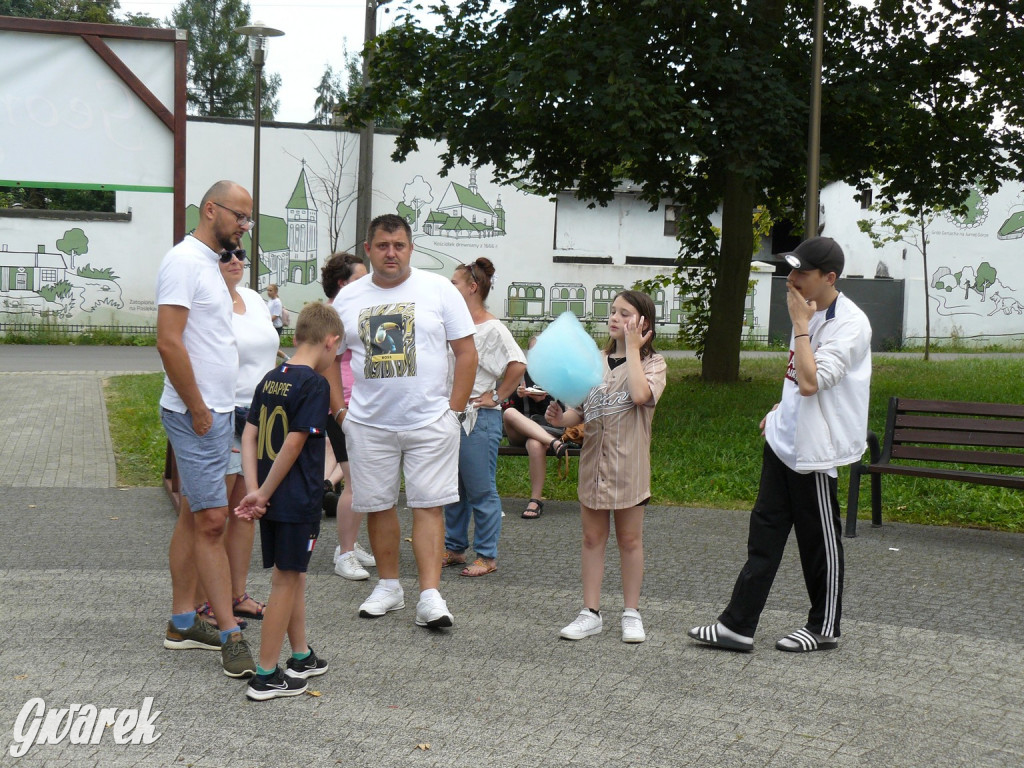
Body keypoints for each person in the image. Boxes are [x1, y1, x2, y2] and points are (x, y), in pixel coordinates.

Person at [689, 237, 871, 653]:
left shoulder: (850, 324)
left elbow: (811, 382)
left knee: (819, 541)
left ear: (829, 278)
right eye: (790, 271)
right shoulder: (805, 307)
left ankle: (825, 627)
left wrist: (802, 327)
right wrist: (779, 411)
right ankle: (737, 625)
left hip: (816, 451)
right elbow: (797, 379)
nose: (791, 280)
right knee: (764, 537)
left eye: (801, 273)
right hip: (783, 441)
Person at [326, 213, 477, 629]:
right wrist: (341, 413)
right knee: (378, 505)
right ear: (369, 249)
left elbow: (466, 353)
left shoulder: (439, 289)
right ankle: (389, 587)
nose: (391, 253)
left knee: (429, 505)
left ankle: (430, 596)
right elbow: (330, 358)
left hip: (431, 421)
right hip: (370, 425)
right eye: (382, 245)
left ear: (410, 248)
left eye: (399, 245)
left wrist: (454, 411)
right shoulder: (349, 298)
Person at [156, 179, 256, 678]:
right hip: (198, 413)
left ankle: (180, 621)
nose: (244, 226)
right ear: (210, 209)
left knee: (196, 515)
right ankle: (228, 633)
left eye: (248, 219)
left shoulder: (212, 265)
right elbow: (169, 342)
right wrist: (197, 407)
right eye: (239, 215)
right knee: (213, 522)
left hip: (217, 411)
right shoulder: (183, 261)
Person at [236, 302, 343, 700]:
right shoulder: (315, 385)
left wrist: (255, 488)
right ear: (330, 342)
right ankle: (265, 674)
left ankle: (300, 656)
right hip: (295, 498)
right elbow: (297, 441)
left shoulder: (270, 378)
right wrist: (261, 493)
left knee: (291, 572)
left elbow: (248, 436)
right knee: (285, 579)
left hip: (269, 496)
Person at [547, 290, 667, 644]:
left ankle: (631, 613)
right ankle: (591, 612)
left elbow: (642, 396)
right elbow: (580, 412)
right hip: (593, 465)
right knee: (591, 538)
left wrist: (632, 349)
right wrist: (560, 416)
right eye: (612, 311)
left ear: (643, 322)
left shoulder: (653, 364)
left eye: (624, 313)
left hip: (629, 466)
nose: (614, 318)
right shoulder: (593, 361)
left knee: (629, 540)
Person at [192, 246, 279, 629]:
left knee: (245, 509)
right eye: (225, 254)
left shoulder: (256, 299)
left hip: (258, 414)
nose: (235, 260)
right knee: (214, 515)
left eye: (240, 254)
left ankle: (235, 594)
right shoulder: (206, 302)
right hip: (222, 411)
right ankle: (203, 602)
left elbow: (267, 354)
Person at [442, 258, 527, 577]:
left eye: (455, 283)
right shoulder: (456, 325)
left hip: (480, 418)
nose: (450, 287)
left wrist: (498, 395)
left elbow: (518, 363)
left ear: (472, 287)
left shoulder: (492, 328)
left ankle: (487, 556)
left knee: (479, 488)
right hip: (453, 416)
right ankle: (454, 548)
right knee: (454, 488)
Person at [318, 252, 377, 580]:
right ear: (343, 284)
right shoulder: (331, 315)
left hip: (364, 405)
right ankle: (344, 553)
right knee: (354, 482)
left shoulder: (356, 311)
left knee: (365, 482)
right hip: (342, 408)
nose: (368, 282)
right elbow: (323, 362)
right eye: (360, 278)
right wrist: (340, 410)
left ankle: (351, 543)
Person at [501, 335, 572, 519]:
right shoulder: (520, 373)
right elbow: (505, 406)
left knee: (535, 443)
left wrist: (544, 400)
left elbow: (564, 413)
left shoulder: (559, 376)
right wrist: (517, 396)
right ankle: (554, 444)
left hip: (547, 429)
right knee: (509, 413)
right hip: (518, 431)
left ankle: (535, 500)